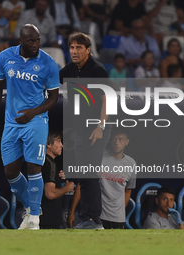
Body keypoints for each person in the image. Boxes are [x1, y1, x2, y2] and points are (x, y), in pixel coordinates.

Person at [0, 24, 59, 230]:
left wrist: (34, 112)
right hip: (11, 122)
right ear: (21, 41)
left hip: (36, 121)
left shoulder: (48, 63)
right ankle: (31, 207)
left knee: (34, 167)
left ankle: (34, 219)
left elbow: (54, 98)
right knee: (10, 171)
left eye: (37, 40)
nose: (35, 44)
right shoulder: (4, 57)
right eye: (31, 41)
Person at [60, 32, 110, 229]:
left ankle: (93, 220)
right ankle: (88, 219)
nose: (74, 51)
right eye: (72, 47)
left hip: (97, 127)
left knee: (89, 174)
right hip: (81, 128)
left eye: (79, 47)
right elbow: (51, 83)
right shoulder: (69, 70)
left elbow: (108, 99)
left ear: (88, 50)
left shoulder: (98, 70)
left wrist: (100, 126)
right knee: (83, 174)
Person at [99, 128, 136, 229]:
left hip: (118, 218)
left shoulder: (131, 163)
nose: (116, 143)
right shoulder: (99, 156)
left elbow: (128, 191)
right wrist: (72, 211)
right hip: (98, 215)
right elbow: (85, 184)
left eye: (121, 140)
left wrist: (119, 211)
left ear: (126, 142)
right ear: (110, 140)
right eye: (114, 139)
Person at [40, 131, 74, 229]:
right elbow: (50, 194)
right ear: (48, 144)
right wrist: (66, 188)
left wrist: (58, 179)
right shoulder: (50, 164)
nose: (62, 145)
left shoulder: (43, 161)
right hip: (48, 219)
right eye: (58, 142)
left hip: (42, 217)